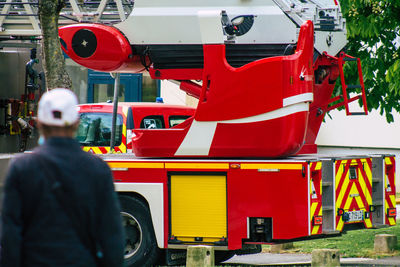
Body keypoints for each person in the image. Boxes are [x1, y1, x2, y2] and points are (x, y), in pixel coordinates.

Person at [0, 88, 125, 267]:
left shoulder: (21, 169)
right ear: (75, 123)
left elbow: (10, 236)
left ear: (40, 124)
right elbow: (111, 237)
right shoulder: (98, 170)